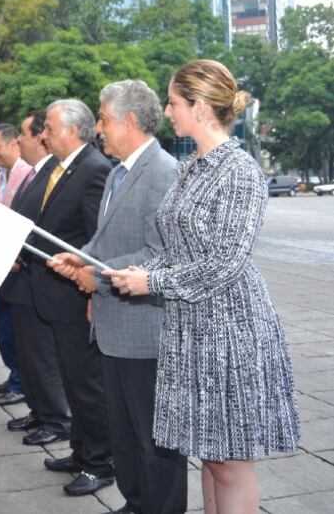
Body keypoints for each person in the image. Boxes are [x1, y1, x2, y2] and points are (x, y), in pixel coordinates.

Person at [105, 60, 299, 514]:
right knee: (211, 458)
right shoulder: (194, 165)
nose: (168, 111)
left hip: (230, 327)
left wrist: (151, 280)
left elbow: (225, 262)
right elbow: (179, 246)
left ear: (200, 107)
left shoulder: (238, 169)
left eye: (173, 102)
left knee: (230, 463)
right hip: (192, 326)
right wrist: (137, 271)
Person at [48, 80, 187, 514]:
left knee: (153, 438)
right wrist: (78, 258)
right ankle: (136, 501)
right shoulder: (116, 171)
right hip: (112, 330)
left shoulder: (164, 172)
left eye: (104, 119)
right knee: (125, 433)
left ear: (129, 120)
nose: (99, 129)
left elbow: (162, 254)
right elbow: (104, 240)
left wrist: (99, 278)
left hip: (146, 331)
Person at [28, 99, 114, 496]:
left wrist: (90, 281)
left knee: (87, 385)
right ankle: (81, 452)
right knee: (72, 381)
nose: (42, 134)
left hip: (76, 295)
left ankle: (101, 463)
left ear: (72, 131)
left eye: (48, 127)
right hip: (56, 296)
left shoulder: (95, 170)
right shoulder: (61, 168)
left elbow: (99, 238)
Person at [2, 110, 72, 441]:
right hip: (22, 282)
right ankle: (39, 411)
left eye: (24, 134)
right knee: (27, 357)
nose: (19, 140)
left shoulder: (53, 175)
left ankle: (57, 421)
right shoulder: (34, 175)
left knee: (43, 358)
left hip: (37, 282)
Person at [0, 123, 33, 406]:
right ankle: (15, 376)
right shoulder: (0, 178)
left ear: (13, 145)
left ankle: (21, 383)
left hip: (18, 267)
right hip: (1, 265)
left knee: (15, 329)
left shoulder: (27, 176)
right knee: (2, 325)